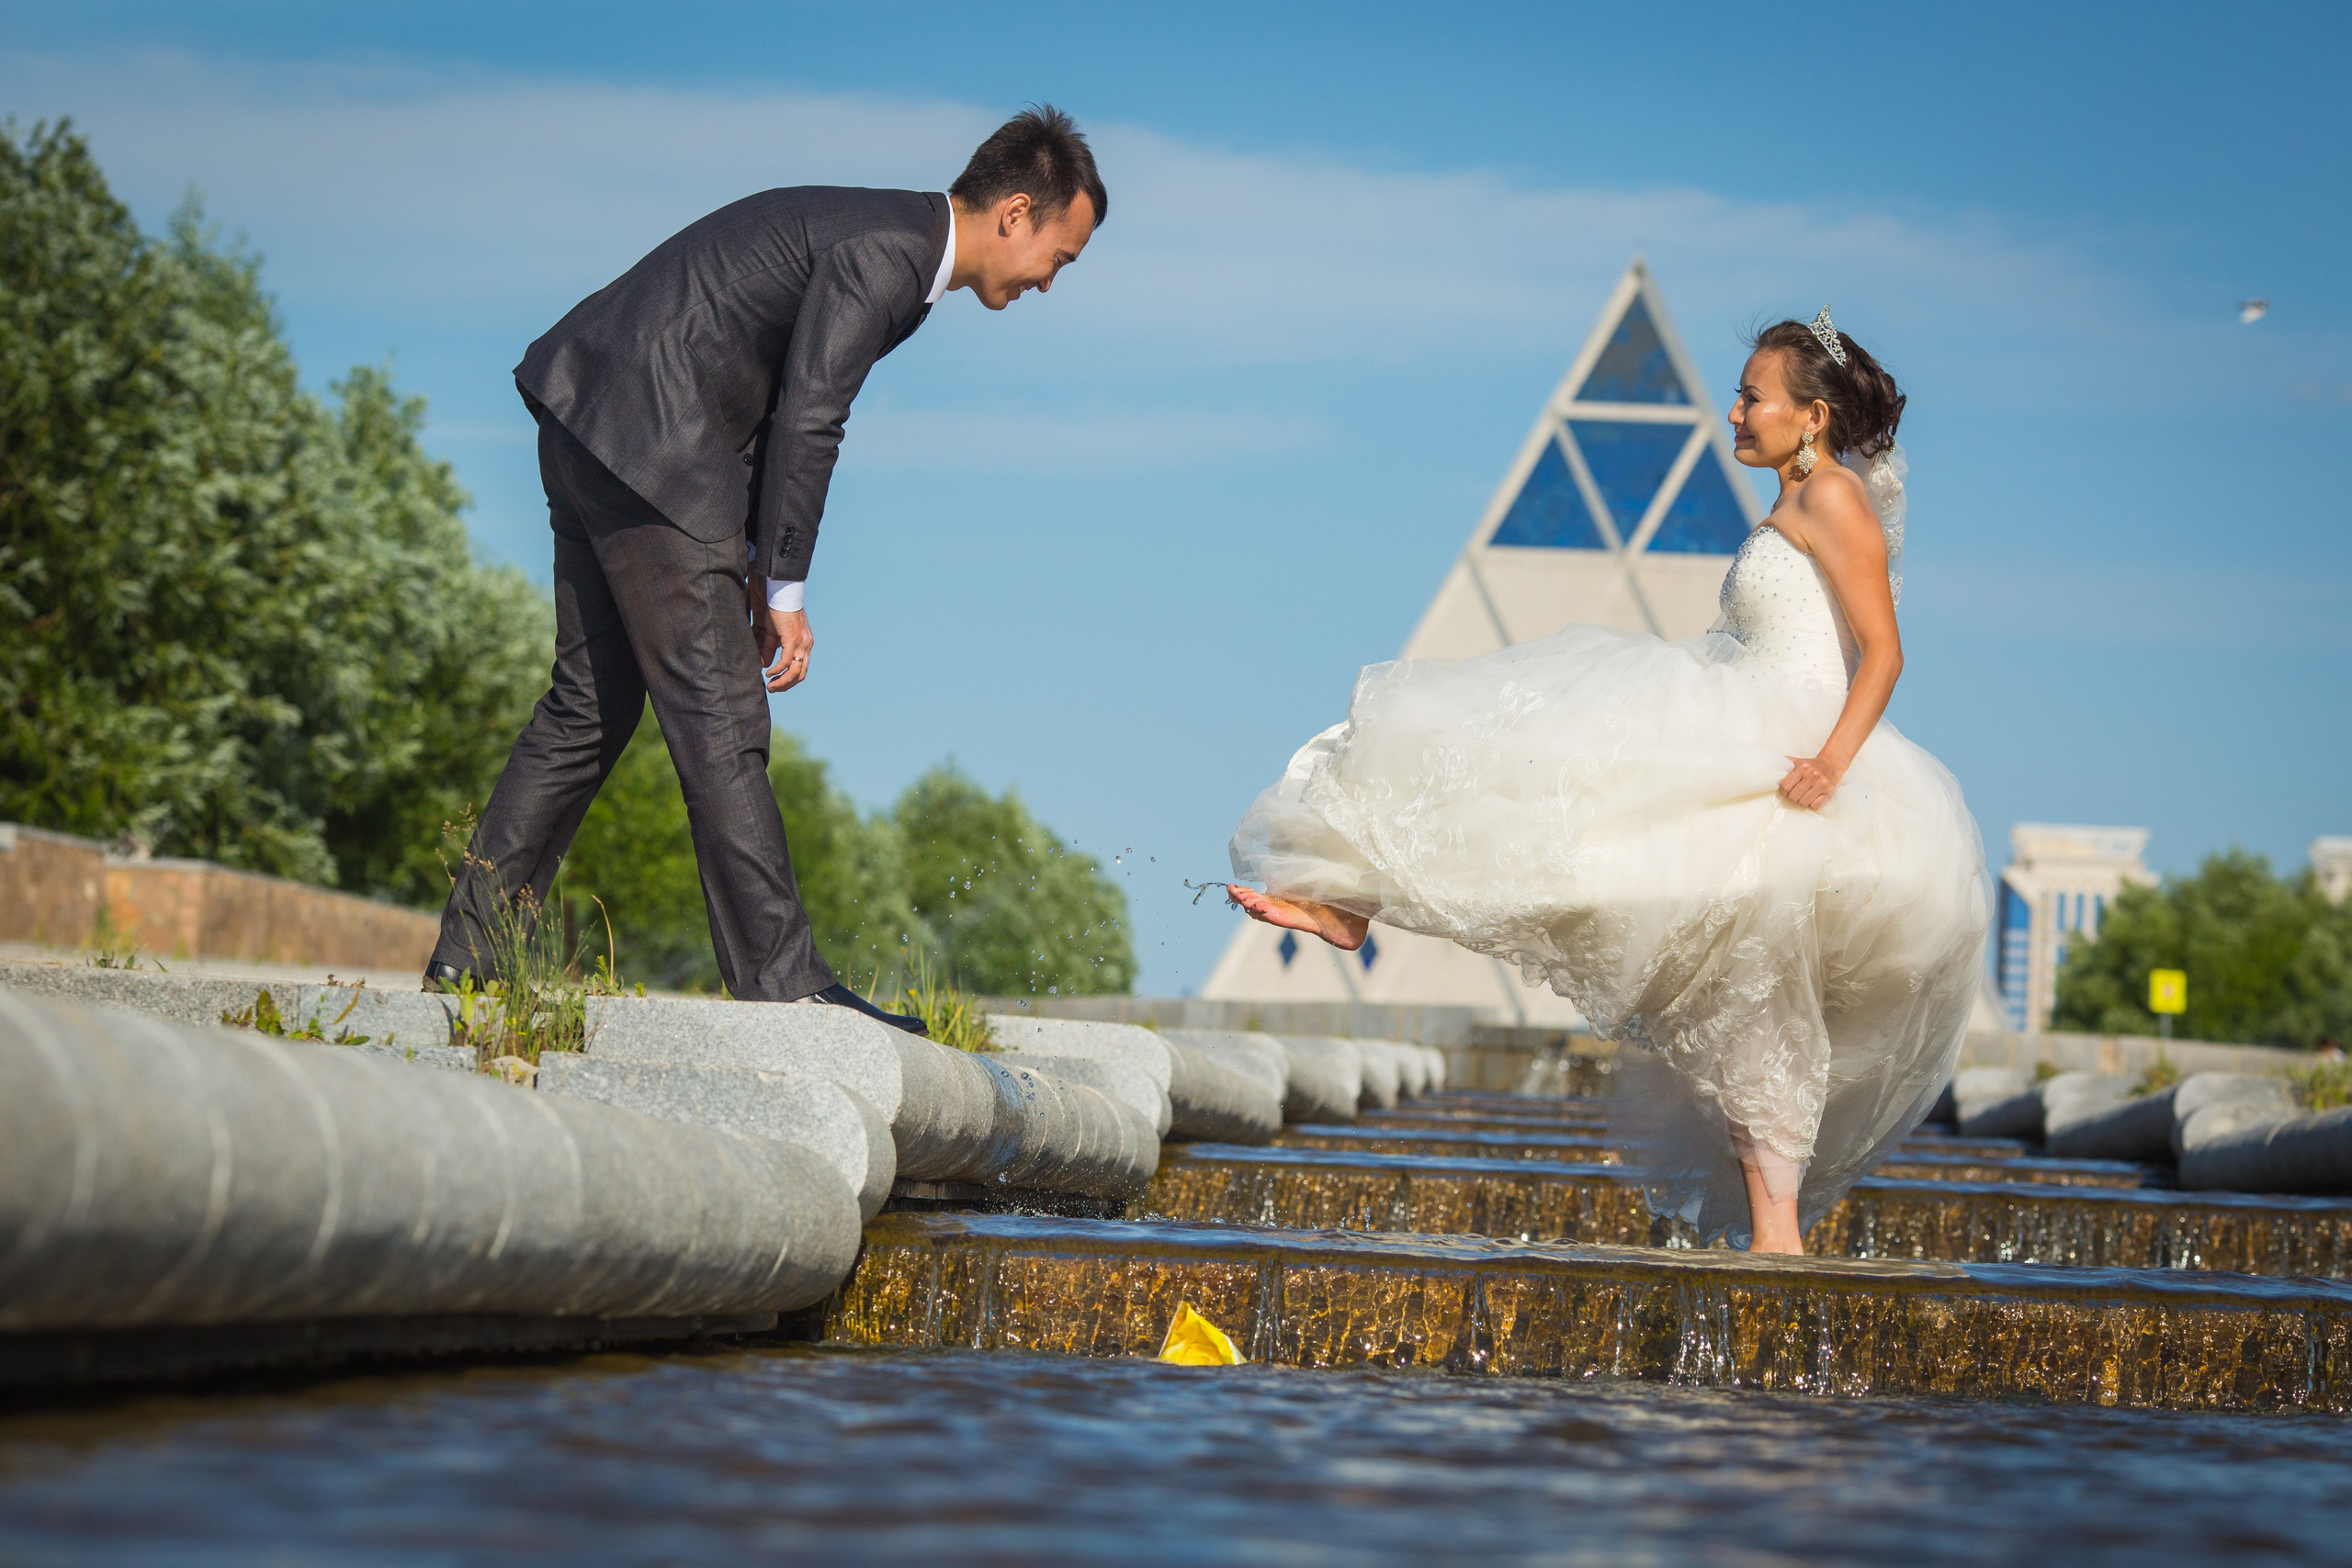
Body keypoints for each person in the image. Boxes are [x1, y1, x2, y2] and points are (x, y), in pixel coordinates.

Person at [1223, 309, 1987, 1251]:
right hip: (1753, 740)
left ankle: (1778, 1235)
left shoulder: (1832, 497)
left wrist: (1829, 765)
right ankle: (1775, 1235)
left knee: (1719, 969)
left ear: (1813, 415)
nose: (1735, 411)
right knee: (1703, 966)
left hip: (1795, 766)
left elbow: (1883, 652)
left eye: (1751, 397)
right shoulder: (1798, 501)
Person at [427, 107, 1106, 1032]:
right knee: (722, 715)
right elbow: (810, 415)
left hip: (593, 416)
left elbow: (765, 390)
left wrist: (751, 561)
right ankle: (785, 985)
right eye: (1058, 259)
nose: (1048, 284)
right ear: (1016, 213)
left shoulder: (885, 236)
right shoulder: (890, 255)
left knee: (588, 706)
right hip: (656, 441)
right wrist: (783, 587)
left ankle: (468, 958)